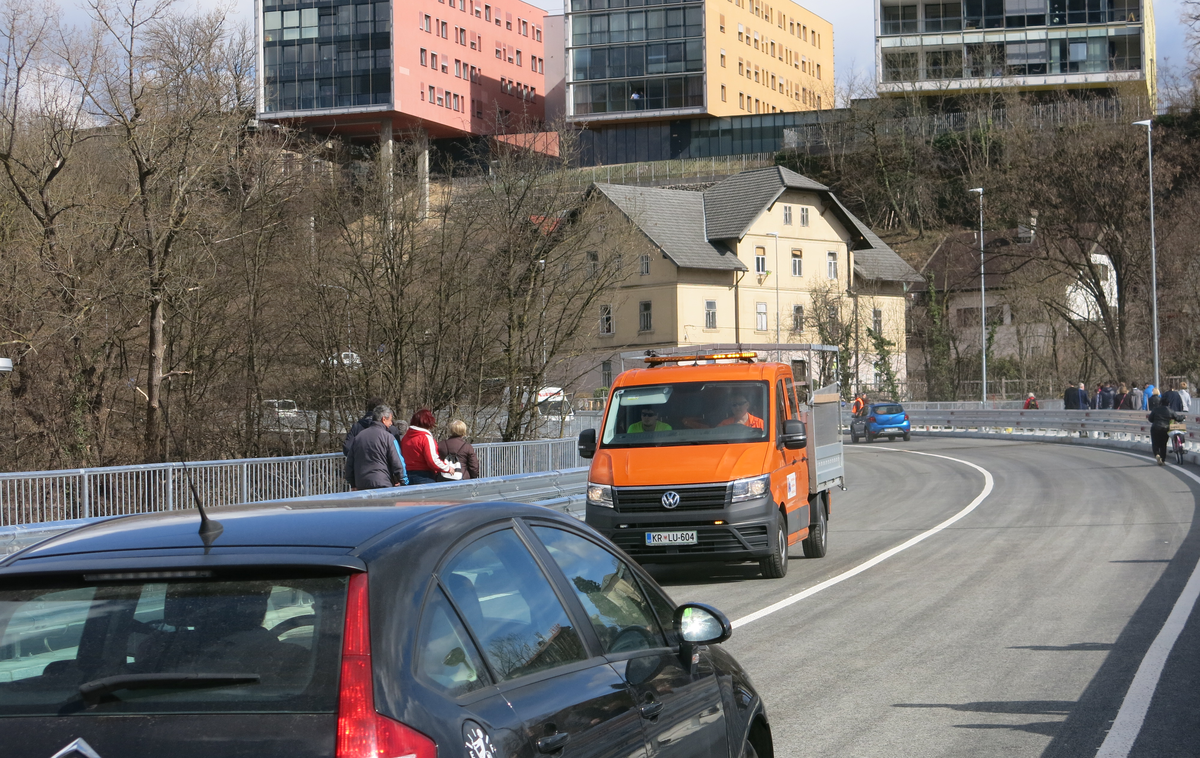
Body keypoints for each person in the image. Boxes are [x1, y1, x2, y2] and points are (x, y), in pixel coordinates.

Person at [345, 405, 408, 489]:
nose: (391, 423)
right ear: (383, 419)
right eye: (390, 420)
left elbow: (349, 463)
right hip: (382, 483)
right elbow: (398, 462)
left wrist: (352, 483)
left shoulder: (358, 437)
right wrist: (403, 481)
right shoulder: (388, 437)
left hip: (361, 484)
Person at [401, 409, 459, 484]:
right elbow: (433, 461)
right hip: (424, 476)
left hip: (408, 475)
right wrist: (447, 468)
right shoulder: (426, 438)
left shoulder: (405, 438)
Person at [1148, 401, 1186, 465]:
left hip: (1155, 428)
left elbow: (1150, 419)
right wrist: (1183, 416)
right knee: (1163, 444)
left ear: (1160, 403)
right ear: (1168, 404)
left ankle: (1157, 454)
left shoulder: (1155, 410)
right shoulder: (1170, 410)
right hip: (1165, 428)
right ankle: (1163, 460)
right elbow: (1177, 418)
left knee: (1155, 443)